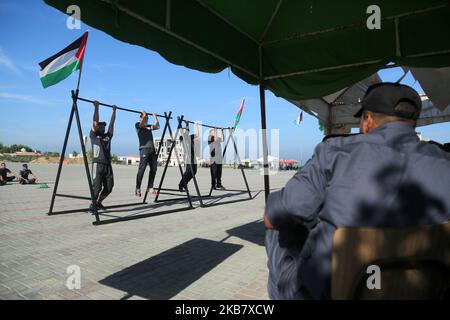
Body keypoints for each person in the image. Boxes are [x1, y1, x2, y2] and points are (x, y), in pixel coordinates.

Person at [264, 82, 450, 300]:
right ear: (413, 122)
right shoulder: (445, 161)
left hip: (330, 294)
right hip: (423, 290)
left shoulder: (334, 153)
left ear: (368, 120)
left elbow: (272, 218)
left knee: (278, 226)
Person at [89, 100, 116, 214]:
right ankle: (92, 205)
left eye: (103, 126)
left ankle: (98, 202)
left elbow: (111, 124)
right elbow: (94, 122)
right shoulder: (94, 135)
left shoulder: (107, 137)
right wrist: (96, 107)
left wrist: (114, 111)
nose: (103, 127)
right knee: (97, 188)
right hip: (98, 164)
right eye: (101, 125)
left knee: (109, 187)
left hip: (107, 165)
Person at [135, 111, 160, 197]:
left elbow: (158, 126)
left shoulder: (148, 126)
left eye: (147, 119)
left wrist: (155, 117)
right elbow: (142, 124)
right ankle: (138, 188)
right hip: (144, 149)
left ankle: (150, 187)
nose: (146, 120)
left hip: (152, 150)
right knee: (142, 169)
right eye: (145, 118)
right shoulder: (138, 125)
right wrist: (144, 116)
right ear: (141, 118)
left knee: (154, 168)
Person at [178, 121, 200, 192]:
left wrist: (196, 126)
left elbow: (197, 134)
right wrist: (187, 124)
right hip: (187, 156)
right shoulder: (182, 137)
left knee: (194, 171)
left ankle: (184, 183)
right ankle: (181, 184)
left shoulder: (190, 137)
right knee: (188, 171)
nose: (186, 131)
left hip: (193, 156)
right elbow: (183, 132)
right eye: (185, 130)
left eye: (187, 130)